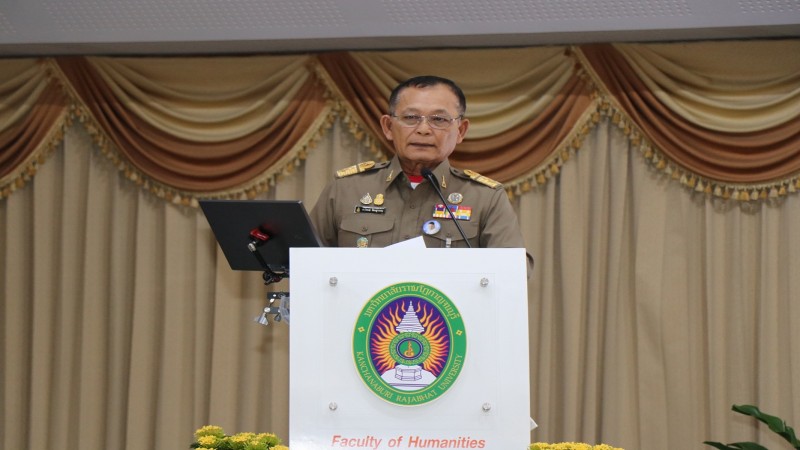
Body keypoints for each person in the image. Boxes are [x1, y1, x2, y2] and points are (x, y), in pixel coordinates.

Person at [309, 75, 533, 275]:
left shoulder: (485, 197)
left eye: (439, 120)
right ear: (388, 126)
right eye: (411, 118)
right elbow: (305, 263)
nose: (424, 129)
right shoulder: (346, 189)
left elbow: (515, 270)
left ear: (461, 131)